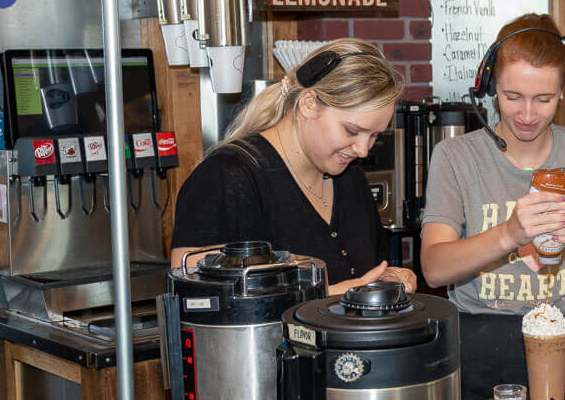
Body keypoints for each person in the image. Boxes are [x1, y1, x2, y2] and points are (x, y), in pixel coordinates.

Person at [419, 13, 565, 397]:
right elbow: (433, 268)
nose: (528, 115)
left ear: (564, 92)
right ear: (490, 88)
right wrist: (509, 234)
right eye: (512, 97)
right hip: (477, 351)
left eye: (544, 99)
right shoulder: (455, 156)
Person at [171, 39, 416, 294]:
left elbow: (365, 274)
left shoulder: (348, 175)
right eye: (352, 130)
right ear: (309, 104)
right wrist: (326, 297)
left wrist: (390, 278)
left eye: (374, 136)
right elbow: (196, 299)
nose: (363, 150)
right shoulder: (226, 178)